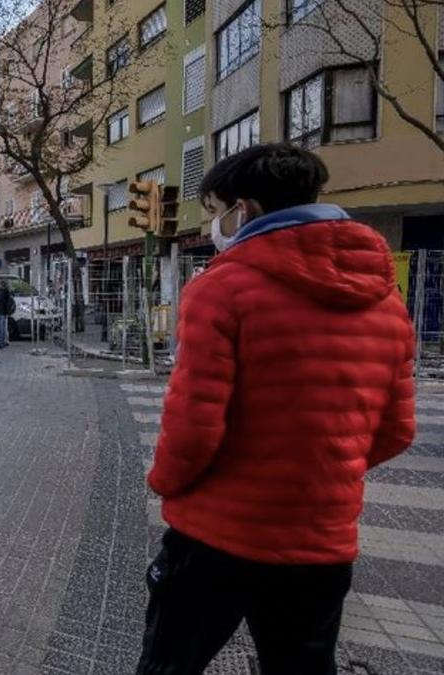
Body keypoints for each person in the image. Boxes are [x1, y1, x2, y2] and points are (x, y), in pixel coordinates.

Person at [137, 144, 415, 675]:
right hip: (320, 542)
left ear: (248, 210)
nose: (216, 225)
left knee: (169, 665)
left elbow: (193, 430)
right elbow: (397, 430)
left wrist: (163, 482)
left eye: (217, 211)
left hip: (216, 537)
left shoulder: (221, 288)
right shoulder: (386, 298)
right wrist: (325, 470)